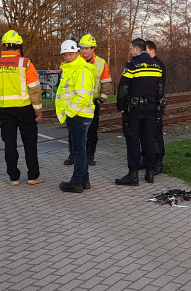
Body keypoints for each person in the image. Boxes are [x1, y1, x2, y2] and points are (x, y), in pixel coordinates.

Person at [0, 30, 43, 186]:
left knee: (9, 143)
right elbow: (34, 89)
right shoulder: (25, 64)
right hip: (25, 108)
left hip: (5, 109)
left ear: (4, 46)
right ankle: (33, 176)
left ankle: (13, 178)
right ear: (19, 47)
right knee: (30, 142)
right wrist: (38, 110)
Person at [115, 38, 163, 186]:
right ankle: (150, 173)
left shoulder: (132, 66)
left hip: (133, 110)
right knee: (148, 139)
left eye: (130, 49)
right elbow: (160, 89)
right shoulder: (156, 66)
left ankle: (133, 174)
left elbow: (123, 87)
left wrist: (120, 105)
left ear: (136, 49)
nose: (129, 51)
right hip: (151, 109)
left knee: (133, 140)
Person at [63, 34, 112, 167]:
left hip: (92, 102)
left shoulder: (101, 63)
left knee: (91, 131)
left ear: (92, 49)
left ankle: (90, 155)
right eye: (82, 48)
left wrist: (101, 99)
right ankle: (73, 154)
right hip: (76, 101)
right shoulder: (75, 61)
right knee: (73, 130)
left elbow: (106, 82)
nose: (84, 51)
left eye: (87, 48)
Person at [56, 39, 98, 192]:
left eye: (71, 54)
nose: (68, 57)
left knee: (78, 149)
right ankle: (84, 180)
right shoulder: (73, 69)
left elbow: (82, 96)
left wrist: (69, 112)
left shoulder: (80, 70)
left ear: (77, 53)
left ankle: (75, 183)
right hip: (76, 114)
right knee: (78, 147)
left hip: (77, 115)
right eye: (65, 54)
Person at [143, 40, 166, 174]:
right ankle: (147, 158)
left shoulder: (158, 64)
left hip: (156, 103)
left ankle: (158, 160)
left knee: (156, 133)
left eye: (145, 52)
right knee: (146, 133)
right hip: (148, 103)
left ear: (152, 51)